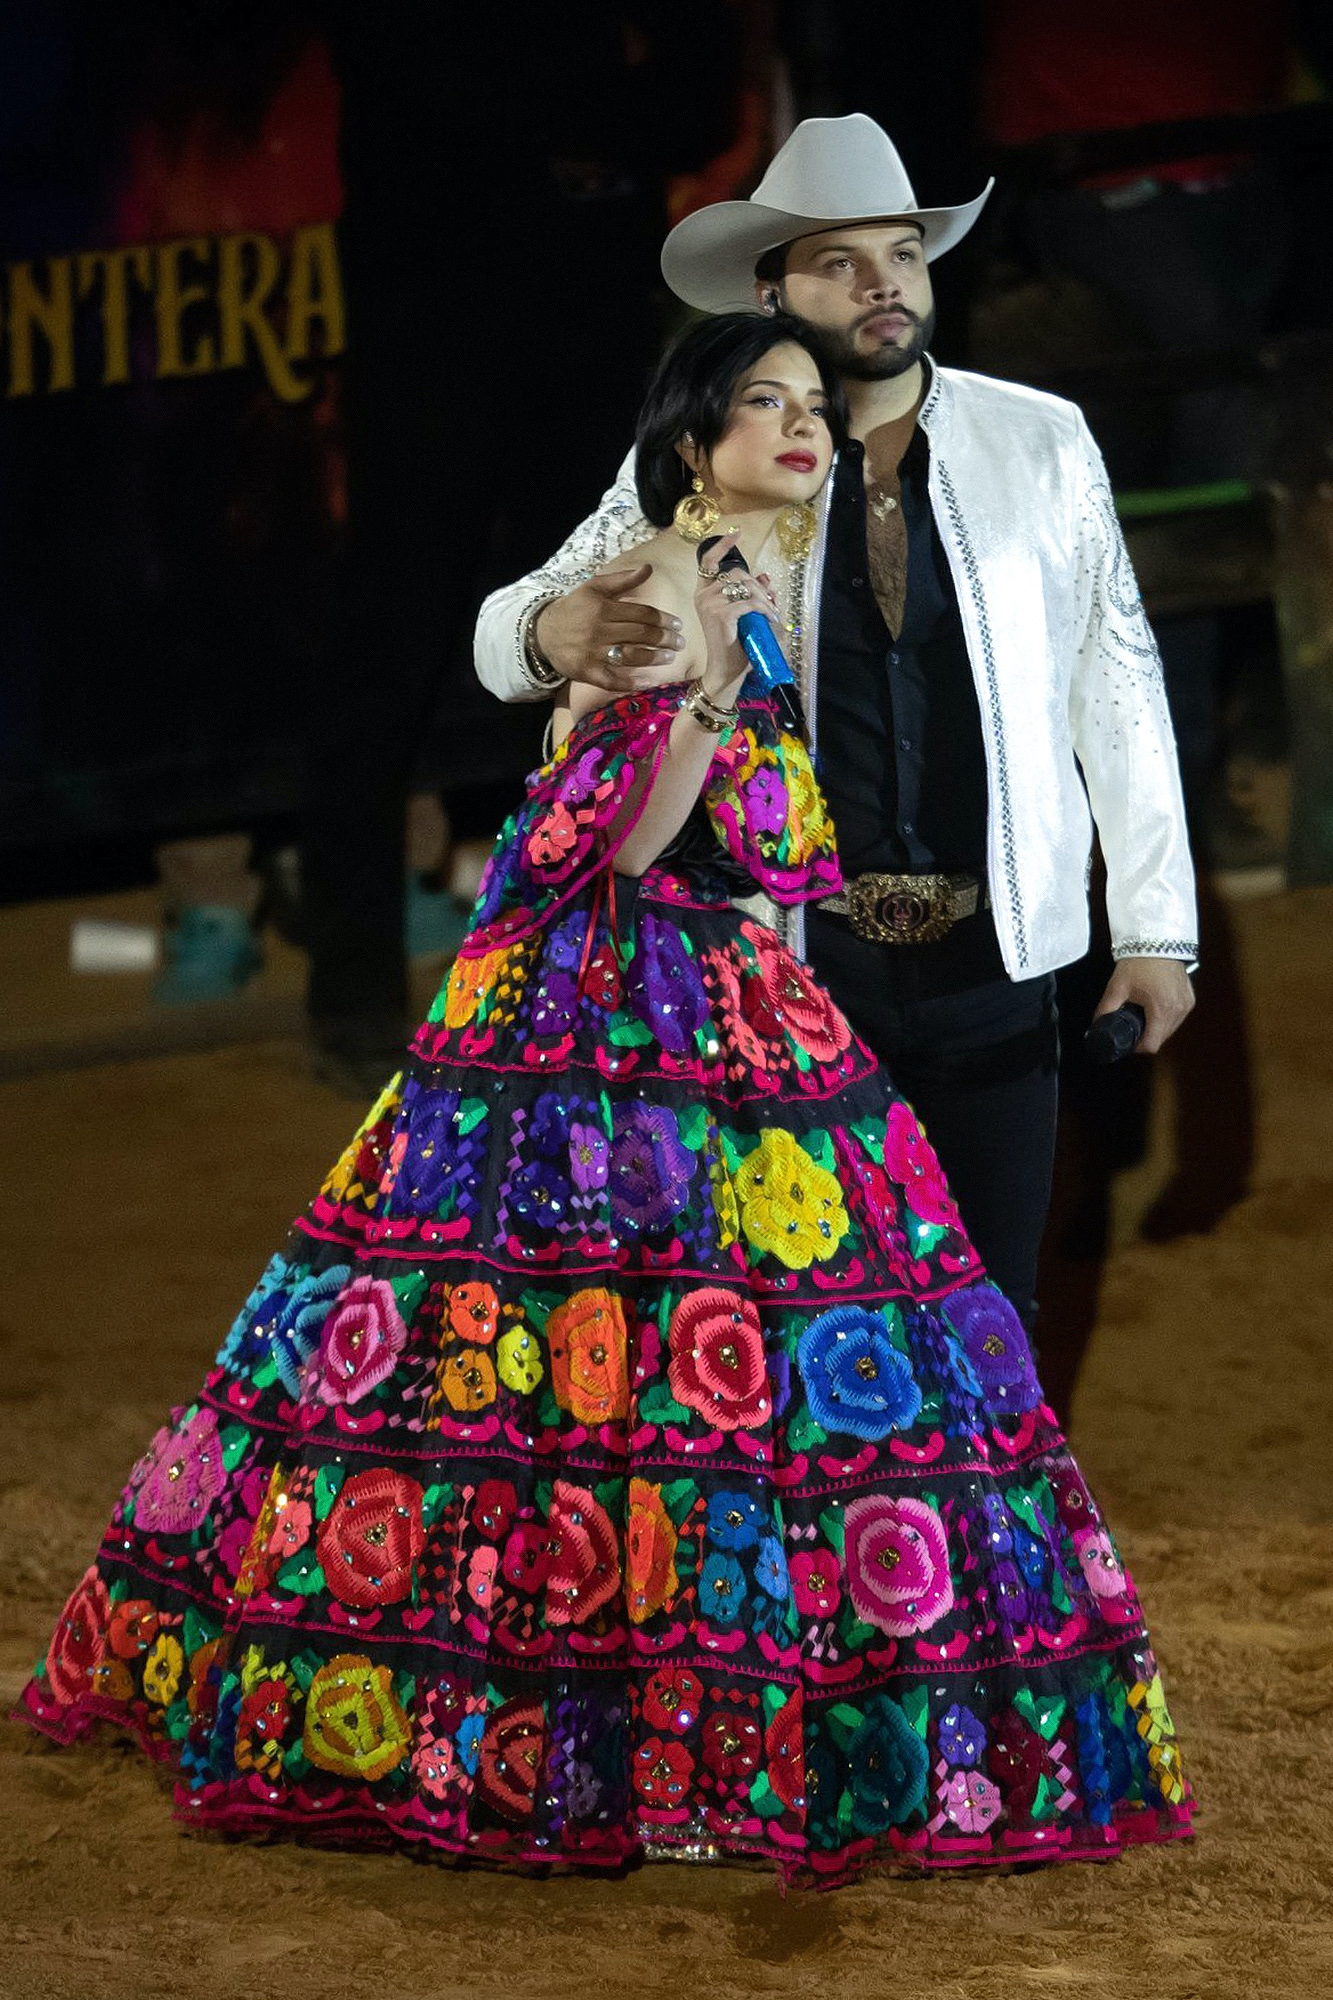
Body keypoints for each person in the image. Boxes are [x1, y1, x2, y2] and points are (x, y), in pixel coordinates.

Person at [20, 313, 1190, 1887]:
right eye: (760, 406)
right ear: (693, 441)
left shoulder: (744, 580)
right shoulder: (665, 581)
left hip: (717, 1000)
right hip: (612, 1016)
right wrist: (703, 689)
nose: (798, 426)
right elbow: (627, 843)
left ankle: (656, 1729)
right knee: (615, 1368)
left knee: (650, 1379)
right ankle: (652, 1745)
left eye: (805, 406)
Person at [475, 112, 1199, 1334]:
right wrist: (552, 639)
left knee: (993, 1322)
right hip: (796, 978)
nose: (882, 288)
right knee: (809, 1334)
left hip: (998, 963)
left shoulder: (1039, 441)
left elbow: (1114, 676)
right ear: (773, 291)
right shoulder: (719, 457)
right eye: (840, 263)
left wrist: (1156, 929)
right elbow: (511, 627)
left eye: (902, 256)